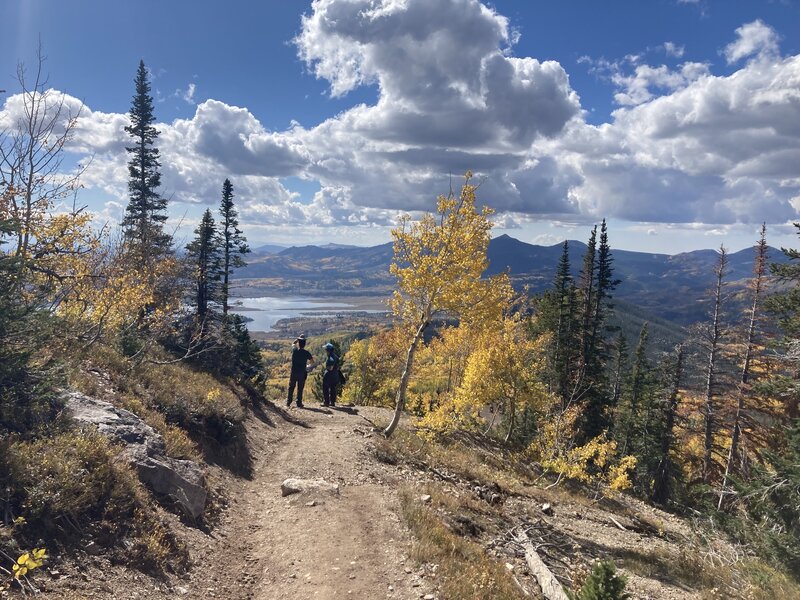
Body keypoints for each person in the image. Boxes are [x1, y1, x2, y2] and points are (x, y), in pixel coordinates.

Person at [287, 335, 314, 408]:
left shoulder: (295, 350)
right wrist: (307, 366)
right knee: (300, 388)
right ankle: (299, 403)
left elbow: (293, 344)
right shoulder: (306, 353)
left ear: (299, 343)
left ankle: (288, 402)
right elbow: (312, 361)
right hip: (302, 373)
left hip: (294, 372)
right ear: (304, 344)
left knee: (291, 387)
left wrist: (297, 339)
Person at [321, 342, 339, 407]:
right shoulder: (335, 356)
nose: (325, 351)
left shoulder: (330, 357)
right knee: (333, 388)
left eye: (326, 349)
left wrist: (327, 368)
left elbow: (330, 368)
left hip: (329, 375)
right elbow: (337, 365)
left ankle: (326, 402)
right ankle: (332, 402)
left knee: (325, 388)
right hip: (335, 375)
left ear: (328, 350)